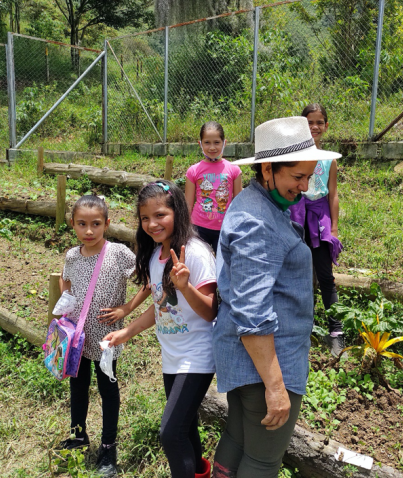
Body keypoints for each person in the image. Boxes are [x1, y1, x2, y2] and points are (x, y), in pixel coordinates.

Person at [212, 117, 342, 478]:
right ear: (267, 169)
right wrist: (275, 387)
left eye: (309, 177)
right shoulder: (257, 221)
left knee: (238, 440)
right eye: (297, 177)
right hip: (267, 361)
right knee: (264, 460)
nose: (304, 187)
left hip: (244, 360)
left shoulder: (260, 205)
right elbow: (252, 312)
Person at [104, 180, 217, 478]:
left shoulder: (196, 253)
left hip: (197, 356)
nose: (152, 224)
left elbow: (210, 311)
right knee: (186, 429)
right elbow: (160, 308)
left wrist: (186, 286)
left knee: (170, 433)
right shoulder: (157, 256)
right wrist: (126, 332)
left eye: (160, 215)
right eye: (145, 218)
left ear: (177, 211)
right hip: (172, 358)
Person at [58, 195, 136, 477]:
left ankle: (108, 446)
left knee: (107, 390)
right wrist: (65, 314)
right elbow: (65, 282)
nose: (89, 231)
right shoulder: (71, 256)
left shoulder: (119, 253)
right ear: (72, 224)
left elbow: (147, 283)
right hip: (78, 338)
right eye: (82, 224)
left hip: (107, 338)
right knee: (78, 388)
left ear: (107, 224)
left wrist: (125, 308)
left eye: (96, 224)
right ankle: (79, 436)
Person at [288, 103, 344, 357]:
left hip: (319, 220)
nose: (314, 127)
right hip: (297, 216)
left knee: (325, 277)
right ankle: (303, 329)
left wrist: (332, 229)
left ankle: (336, 332)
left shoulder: (329, 159)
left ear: (326, 126)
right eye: (309, 122)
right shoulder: (293, 156)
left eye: (319, 122)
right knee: (299, 275)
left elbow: (333, 194)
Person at [185, 121, 242, 253]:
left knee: (222, 267)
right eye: (207, 142)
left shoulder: (234, 170)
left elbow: (238, 203)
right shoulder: (193, 171)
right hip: (198, 227)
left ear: (224, 143)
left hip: (224, 227)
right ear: (200, 144)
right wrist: (185, 228)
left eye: (216, 142)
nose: (212, 147)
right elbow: (188, 204)